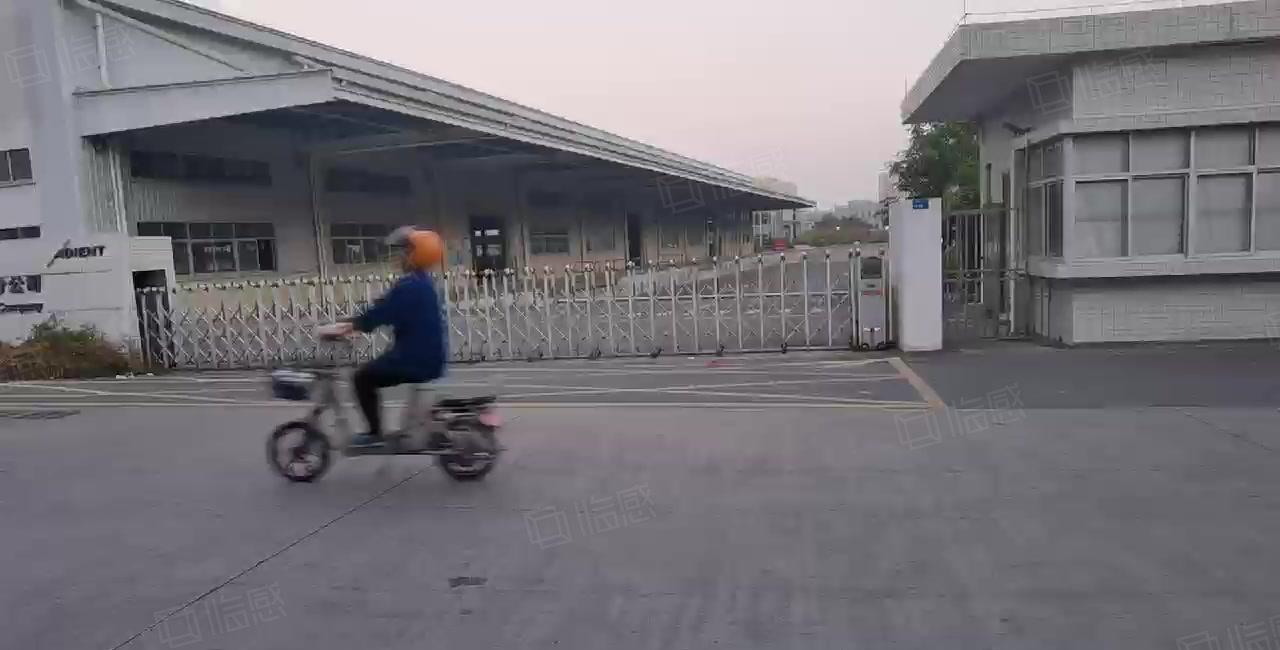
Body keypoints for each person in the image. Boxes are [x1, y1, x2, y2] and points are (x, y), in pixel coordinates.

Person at [329, 226, 447, 447]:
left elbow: (383, 313)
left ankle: (374, 434)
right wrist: (360, 321)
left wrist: (351, 325)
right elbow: (387, 308)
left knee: (362, 378)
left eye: (405, 251)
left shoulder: (410, 286)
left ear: (417, 254)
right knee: (372, 372)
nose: (400, 256)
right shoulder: (421, 282)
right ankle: (405, 429)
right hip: (424, 355)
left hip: (414, 358)